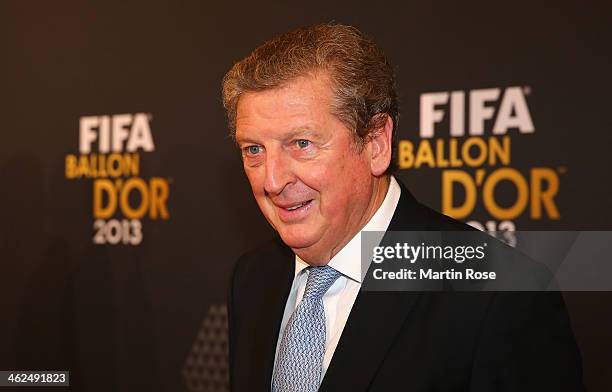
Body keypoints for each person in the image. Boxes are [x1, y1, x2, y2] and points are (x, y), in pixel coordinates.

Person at [222, 23, 583, 392]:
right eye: (253, 150)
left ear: (377, 143)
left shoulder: (502, 297)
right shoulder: (253, 279)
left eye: (301, 143)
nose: (272, 180)